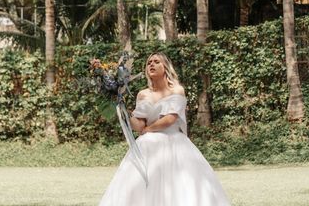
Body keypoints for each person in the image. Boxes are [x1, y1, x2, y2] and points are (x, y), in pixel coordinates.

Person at [99, 52, 231, 206]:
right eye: (149, 63)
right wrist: (125, 113)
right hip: (147, 146)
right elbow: (139, 126)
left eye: (156, 62)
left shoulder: (177, 90)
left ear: (166, 67)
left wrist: (148, 130)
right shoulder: (142, 94)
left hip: (174, 143)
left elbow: (170, 118)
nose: (151, 65)